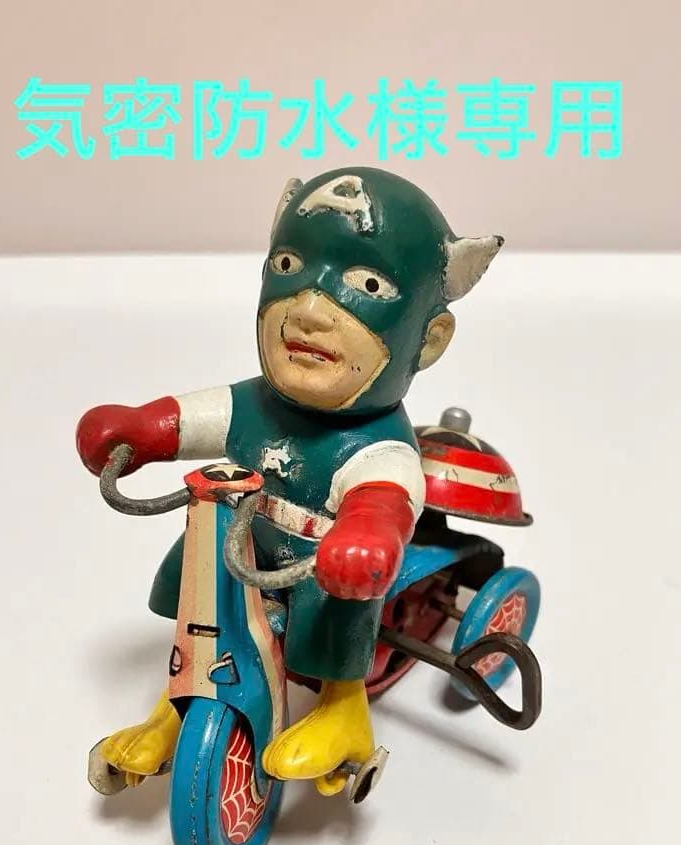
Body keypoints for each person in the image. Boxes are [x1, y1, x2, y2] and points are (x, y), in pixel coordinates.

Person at [76, 166, 502, 794]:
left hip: (320, 564)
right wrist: (140, 428)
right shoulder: (255, 402)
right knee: (197, 580)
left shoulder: (378, 444)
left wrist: (369, 530)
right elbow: (194, 417)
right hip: (241, 538)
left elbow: (385, 492)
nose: (308, 309)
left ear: (430, 338)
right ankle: (176, 704)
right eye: (288, 265)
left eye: (368, 284)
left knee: (337, 605)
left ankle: (342, 708)